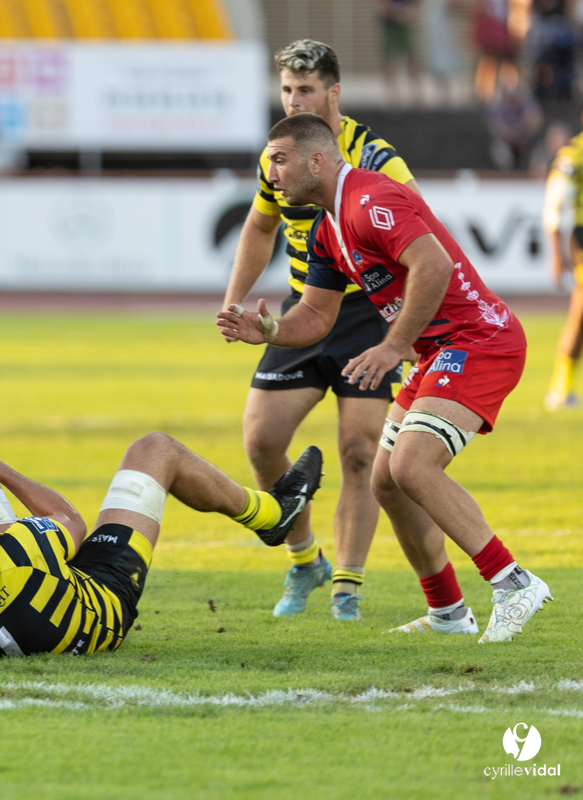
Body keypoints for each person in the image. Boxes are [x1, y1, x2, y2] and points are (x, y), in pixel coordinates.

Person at [217, 113, 552, 643]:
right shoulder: (327, 230)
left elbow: (434, 265)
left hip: (478, 341)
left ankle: (514, 582)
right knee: (385, 480)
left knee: (414, 465)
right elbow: (318, 316)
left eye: (280, 160)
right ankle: (448, 613)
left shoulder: (371, 197)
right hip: (438, 350)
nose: (272, 173)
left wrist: (394, 345)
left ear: (317, 160)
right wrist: (271, 331)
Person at [221, 40, 420, 622]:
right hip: (305, 306)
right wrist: (234, 299)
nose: (293, 100)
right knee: (260, 439)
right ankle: (306, 559)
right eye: (285, 89)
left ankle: (347, 589)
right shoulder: (276, 156)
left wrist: (401, 327)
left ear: (334, 93)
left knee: (360, 451)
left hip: (363, 313)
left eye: (304, 90)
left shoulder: (378, 160)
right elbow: (260, 228)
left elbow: (418, 235)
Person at [0, 434, 322, 657]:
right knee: (155, 450)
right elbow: (68, 519)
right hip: (104, 601)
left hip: (32, 610)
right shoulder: (21, 554)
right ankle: (271, 515)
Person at [542, 113, 583, 410]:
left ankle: (560, 388)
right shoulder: (573, 155)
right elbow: (556, 203)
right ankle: (559, 388)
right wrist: (557, 254)